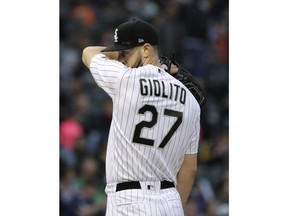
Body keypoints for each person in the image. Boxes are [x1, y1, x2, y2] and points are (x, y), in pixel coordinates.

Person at [82, 18, 201, 216]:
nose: (121, 59)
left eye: (125, 53)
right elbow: (190, 170)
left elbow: (88, 52)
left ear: (146, 50)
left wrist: (114, 53)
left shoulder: (125, 78)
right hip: (171, 203)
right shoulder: (191, 100)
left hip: (129, 201)